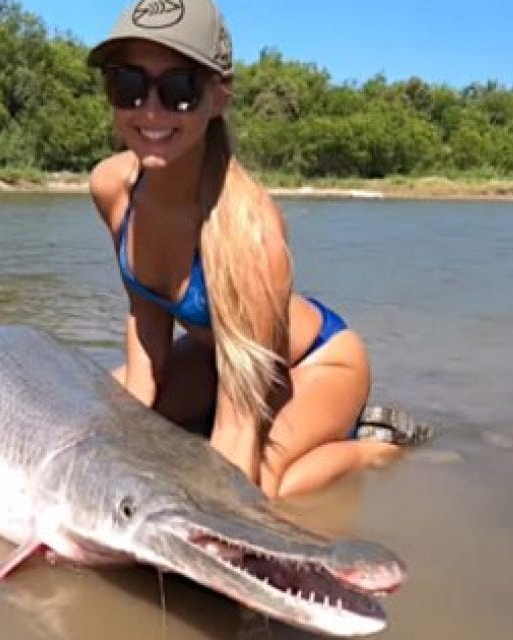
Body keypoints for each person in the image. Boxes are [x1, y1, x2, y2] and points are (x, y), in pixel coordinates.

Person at [85, 0, 430, 500]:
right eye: (128, 85)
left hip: (312, 364)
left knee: (264, 492)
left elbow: (238, 426)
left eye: (179, 88)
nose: (151, 110)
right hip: (213, 356)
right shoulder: (110, 187)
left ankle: (374, 445)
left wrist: (215, 522)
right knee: (96, 417)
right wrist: (120, 437)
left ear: (218, 96)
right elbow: (146, 323)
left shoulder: (252, 236)